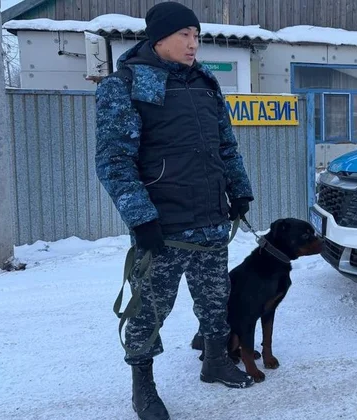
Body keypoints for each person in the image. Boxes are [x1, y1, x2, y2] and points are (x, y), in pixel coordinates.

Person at [94, 2, 255, 419]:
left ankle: (215, 361)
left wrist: (239, 190)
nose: (193, 43)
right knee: (148, 310)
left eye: (196, 35)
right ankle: (143, 387)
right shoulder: (125, 84)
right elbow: (114, 161)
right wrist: (141, 218)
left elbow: (226, 145)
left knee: (215, 299)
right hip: (163, 226)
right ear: (159, 38)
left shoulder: (205, 82)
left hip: (211, 217)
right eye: (184, 34)